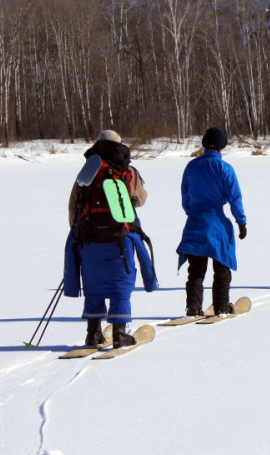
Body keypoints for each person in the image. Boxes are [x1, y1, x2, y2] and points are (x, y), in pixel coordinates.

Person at [64, 129, 157, 348]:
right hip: (120, 237)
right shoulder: (127, 170)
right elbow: (141, 200)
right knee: (120, 285)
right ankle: (119, 333)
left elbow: (74, 207)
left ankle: (93, 333)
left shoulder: (86, 172)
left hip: (89, 238)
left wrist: (78, 232)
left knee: (93, 283)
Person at [176, 127, 247, 317]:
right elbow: (235, 197)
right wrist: (241, 221)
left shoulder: (191, 166)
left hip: (195, 223)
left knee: (196, 270)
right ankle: (222, 306)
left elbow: (185, 196)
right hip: (217, 223)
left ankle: (193, 307)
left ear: (204, 143)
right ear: (223, 146)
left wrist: (192, 213)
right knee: (221, 267)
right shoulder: (225, 169)